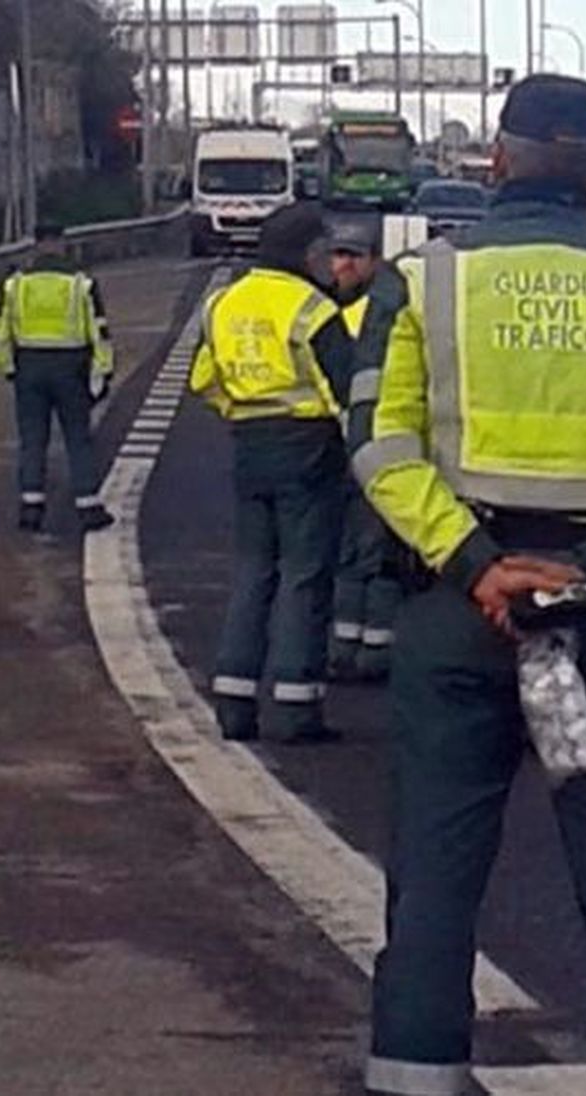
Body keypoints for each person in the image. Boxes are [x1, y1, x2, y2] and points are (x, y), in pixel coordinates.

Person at [347, 75, 586, 1096]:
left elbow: (378, 446)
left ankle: (411, 1076)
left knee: (434, 870)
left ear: (498, 160)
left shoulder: (422, 282)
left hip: (454, 611)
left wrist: (475, 564)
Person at [189, 203, 358, 744]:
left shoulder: (223, 303)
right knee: (305, 575)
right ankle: (294, 707)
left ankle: (235, 703)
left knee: (254, 570)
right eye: (325, 253)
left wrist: (244, 408)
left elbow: (203, 380)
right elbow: (347, 393)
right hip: (308, 445)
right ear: (306, 253)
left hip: (249, 441)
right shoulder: (313, 309)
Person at [0, 221, 115, 533]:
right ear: (62, 243)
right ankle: (88, 506)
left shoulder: (15, 284)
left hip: (28, 366)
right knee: (78, 437)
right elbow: (99, 332)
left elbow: (1, 332)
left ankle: (31, 507)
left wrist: (9, 369)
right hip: (71, 367)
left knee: (32, 439)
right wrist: (102, 374)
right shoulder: (81, 283)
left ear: (35, 245)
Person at [326, 218, 402, 682]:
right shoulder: (340, 312)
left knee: (369, 551)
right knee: (361, 551)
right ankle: (359, 644)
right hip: (345, 447)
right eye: (339, 255)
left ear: (373, 261)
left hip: (372, 446)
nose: (344, 264)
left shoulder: (369, 315)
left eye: (354, 256)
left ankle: (367, 648)